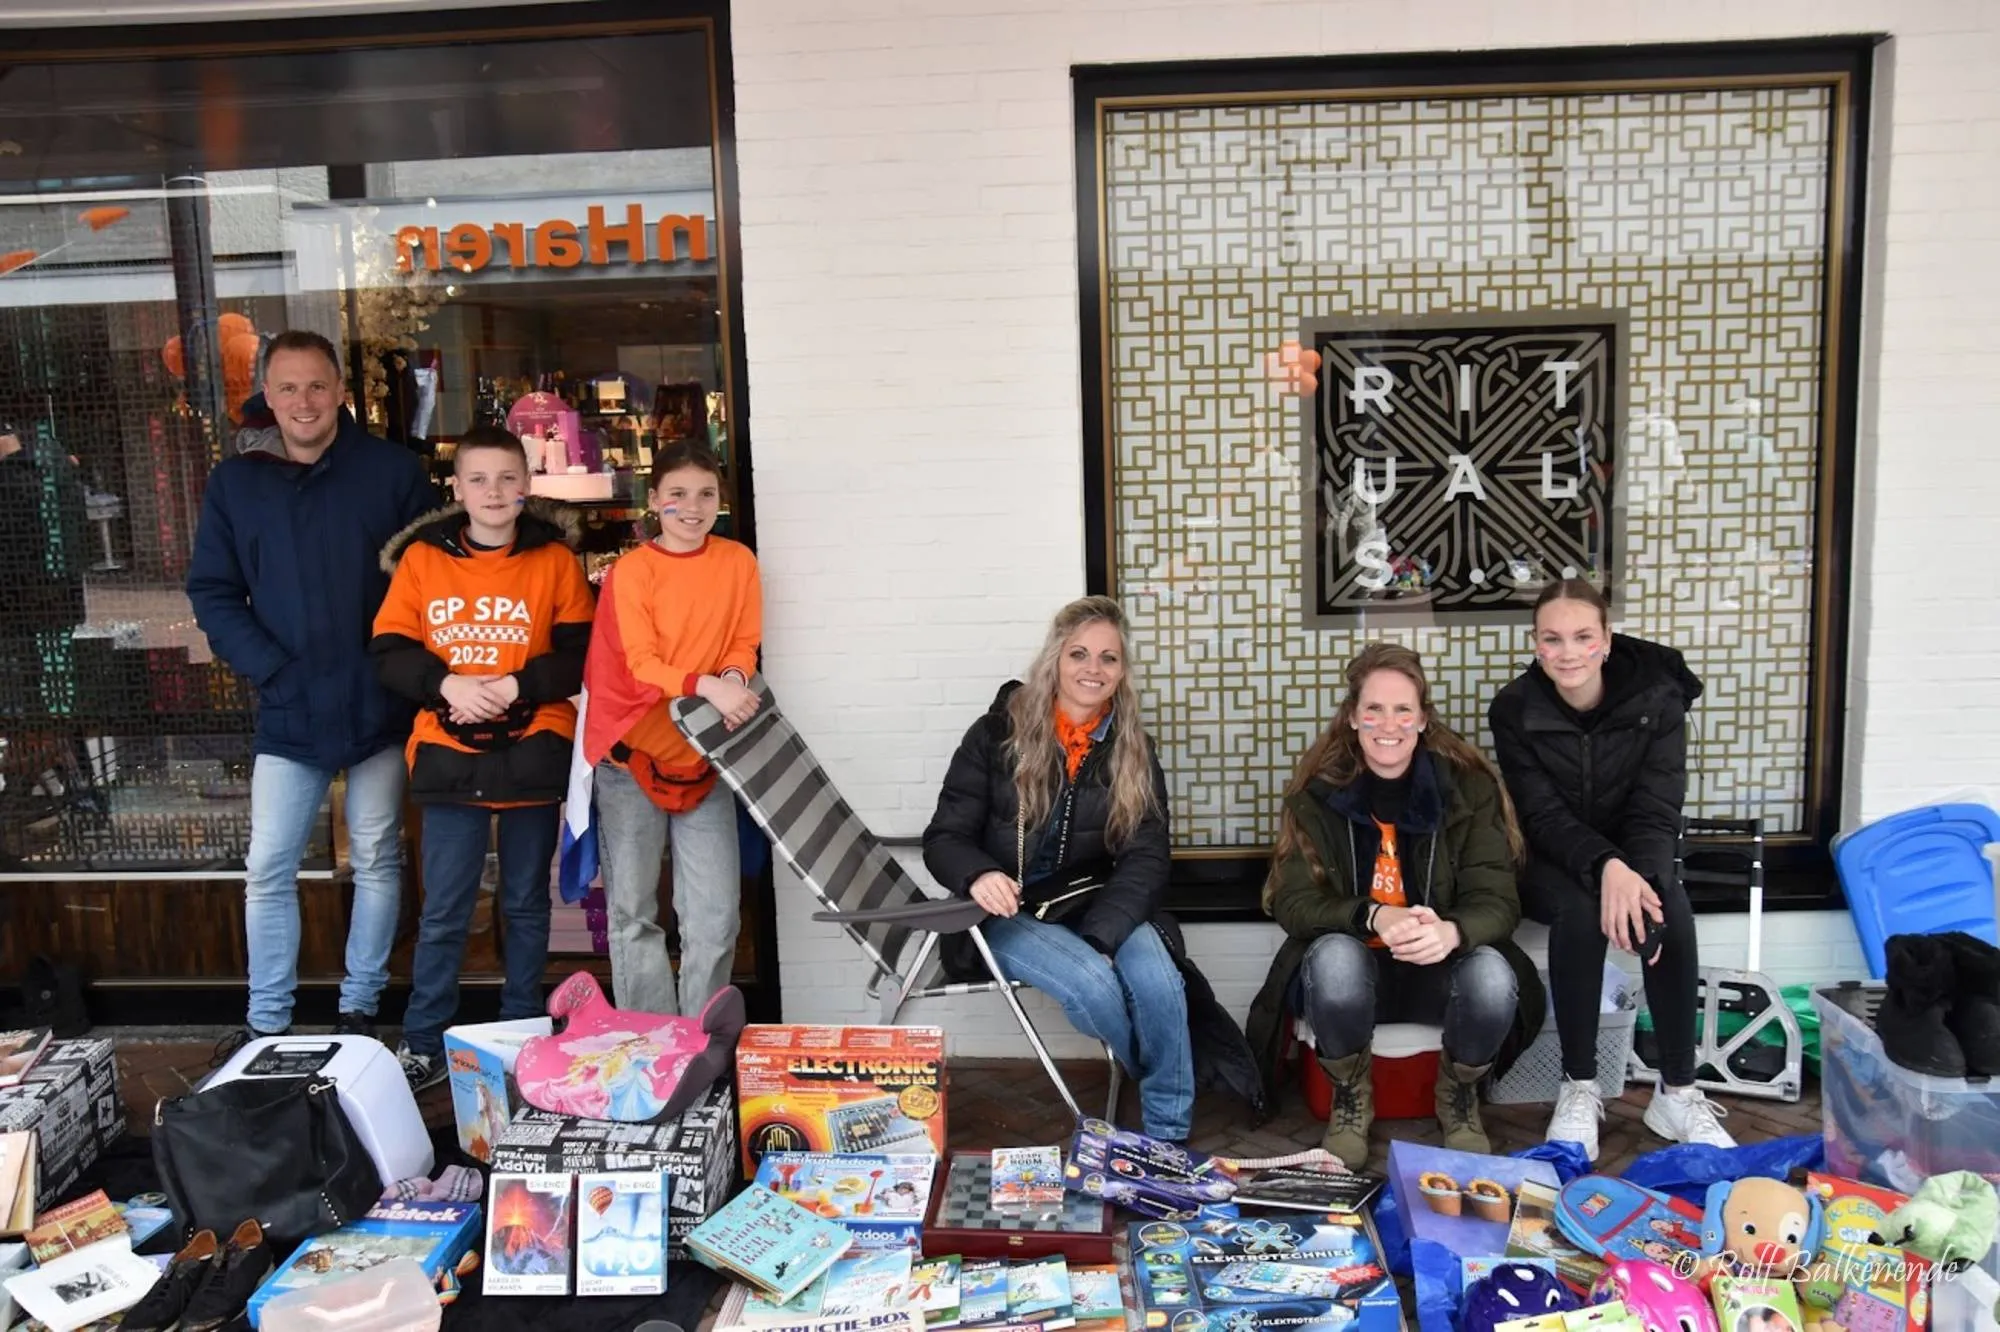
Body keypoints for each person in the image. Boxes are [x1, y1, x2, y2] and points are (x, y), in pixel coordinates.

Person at [187, 330, 434, 1053]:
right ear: (266, 394)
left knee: (378, 858)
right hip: (288, 704)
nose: (303, 401)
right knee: (267, 867)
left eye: (317, 385)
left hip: (379, 702)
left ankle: (359, 1009)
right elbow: (213, 590)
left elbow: (428, 587)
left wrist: (402, 670)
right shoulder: (237, 482)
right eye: (287, 387)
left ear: (340, 392)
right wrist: (270, 668)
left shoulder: (392, 473)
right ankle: (267, 1020)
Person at [1245, 642, 1541, 1168]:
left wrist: (1451, 932)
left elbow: (1498, 900)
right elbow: (1293, 902)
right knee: (1334, 957)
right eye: (1374, 709)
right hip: (1356, 977)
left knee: (1494, 975)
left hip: (1437, 970)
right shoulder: (1319, 795)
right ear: (1354, 717)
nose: (1390, 723)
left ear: (1423, 719)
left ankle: (1460, 1098)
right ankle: (1350, 1098)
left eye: (1403, 709)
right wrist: (1373, 915)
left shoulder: (1467, 791)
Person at [369, 425, 595, 1091]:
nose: (493, 492)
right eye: (478, 479)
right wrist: (448, 686)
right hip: (448, 749)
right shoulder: (422, 561)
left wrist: (516, 686)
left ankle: (522, 1030)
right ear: (456, 488)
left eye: (506, 478)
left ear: (526, 486)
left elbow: (580, 654)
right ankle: (423, 1040)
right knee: (445, 908)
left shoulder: (554, 559)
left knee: (526, 904)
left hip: (532, 748)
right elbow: (390, 650)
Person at [922, 596, 1195, 1141]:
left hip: (1093, 900)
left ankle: (1168, 1138)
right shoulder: (996, 734)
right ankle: (1149, 1066)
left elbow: (1147, 854)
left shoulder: (1131, 747)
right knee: (1094, 984)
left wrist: (1105, 932)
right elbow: (944, 838)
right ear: (1054, 660)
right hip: (1004, 910)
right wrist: (979, 874)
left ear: (1122, 671)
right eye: (1079, 654)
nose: (1093, 669)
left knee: (1160, 981)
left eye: (1109, 658)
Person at [1489, 578, 1734, 1158]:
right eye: (1553, 639)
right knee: (1580, 911)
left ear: (1606, 639)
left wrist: (1636, 876)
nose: (1567, 652)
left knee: (1668, 904)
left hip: (1636, 851)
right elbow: (1541, 815)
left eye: (1582, 636)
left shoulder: (1658, 698)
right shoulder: (1515, 710)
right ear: (1536, 644)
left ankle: (1677, 1092)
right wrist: (1606, 867)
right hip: (1553, 858)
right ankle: (1579, 1085)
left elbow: (1658, 805)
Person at [578, 441, 761, 1015]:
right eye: (677, 494)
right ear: (654, 500)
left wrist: (733, 676)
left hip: (702, 757)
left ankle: (701, 1043)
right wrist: (712, 687)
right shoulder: (631, 573)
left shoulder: (738, 562)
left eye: (706, 494)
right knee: (634, 914)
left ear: (720, 501)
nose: (692, 506)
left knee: (714, 915)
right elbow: (643, 664)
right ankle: (650, 1042)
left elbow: (743, 640)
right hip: (630, 756)